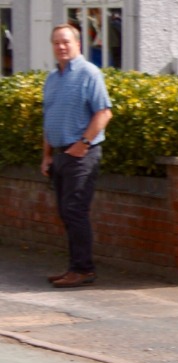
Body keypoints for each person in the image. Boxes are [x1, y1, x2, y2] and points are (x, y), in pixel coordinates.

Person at [43, 23, 113, 289]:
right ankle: (74, 267)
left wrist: (83, 144)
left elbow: (104, 112)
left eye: (66, 42)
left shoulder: (89, 73)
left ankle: (83, 269)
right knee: (66, 212)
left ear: (78, 44)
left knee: (75, 211)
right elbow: (48, 120)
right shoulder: (52, 78)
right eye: (57, 43)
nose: (61, 47)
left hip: (82, 155)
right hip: (60, 155)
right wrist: (46, 155)